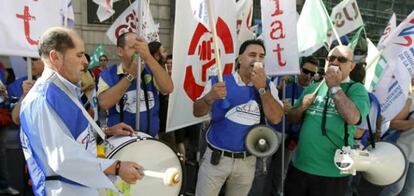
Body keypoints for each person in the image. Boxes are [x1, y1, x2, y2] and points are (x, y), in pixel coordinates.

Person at [19, 27, 144, 195]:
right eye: (79, 55)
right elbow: (62, 158)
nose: (86, 61)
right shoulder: (42, 98)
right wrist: (117, 167)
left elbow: (68, 135)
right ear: (55, 57)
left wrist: (105, 132)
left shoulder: (62, 90)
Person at [193, 39, 284, 196]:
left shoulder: (268, 86)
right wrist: (210, 97)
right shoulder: (218, 81)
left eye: (261, 56)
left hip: (247, 161)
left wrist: (262, 88)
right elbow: (197, 111)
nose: (257, 60)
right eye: (252, 55)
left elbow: (276, 118)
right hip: (216, 158)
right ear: (240, 59)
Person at [284, 45, 370, 196]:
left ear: (352, 66)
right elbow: (292, 118)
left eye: (341, 59)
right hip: (300, 167)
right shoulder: (313, 88)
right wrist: (301, 107)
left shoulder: (356, 89)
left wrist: (335, 87)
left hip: (333, 172)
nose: (335, 62)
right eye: (331, 58)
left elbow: (353, 117)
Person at [260, 56, 319, 196]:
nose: (308, 76)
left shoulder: (314, 91)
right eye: (305, 71)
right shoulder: (285, 82)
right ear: (299, 69)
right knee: (262, 168)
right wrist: (280, 89)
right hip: (274, 129)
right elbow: (268, 98)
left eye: (313, 74)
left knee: (282, 170)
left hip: (293, 136)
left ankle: (277, 193)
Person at [97, 32, 173, 137]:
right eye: (134, 48)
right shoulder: (108, 74)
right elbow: (104, 103)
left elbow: (168, 88)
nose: (139, 52)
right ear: (120, 51)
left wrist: (148, 57)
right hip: (120, 140)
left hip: (150, 139)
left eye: (141, 48)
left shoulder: (151, 69)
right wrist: (131, 75)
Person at [380, 83, 414, 196]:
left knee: (409, 192)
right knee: (395, 188)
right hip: (402, 150)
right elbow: (393, 124)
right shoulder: (410, 101)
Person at [9, 57, 45, 125]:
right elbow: (16, 120)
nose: (30, 62)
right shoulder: (17, 85)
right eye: (26, 59)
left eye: (34, 58)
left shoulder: (61, 82)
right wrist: (25, 95)